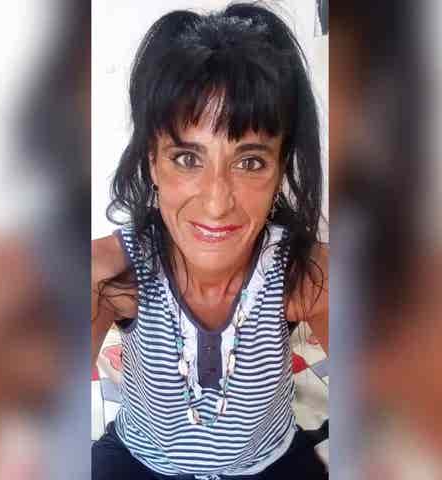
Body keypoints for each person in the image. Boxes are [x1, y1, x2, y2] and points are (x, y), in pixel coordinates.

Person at [92, 3, 328, 479]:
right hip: (141, 460)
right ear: (152, 162)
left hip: (269, 460)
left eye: (250, 162)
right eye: (187, 158)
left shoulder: (301, 275)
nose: (217, 203)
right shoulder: (113, 276)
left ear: (279, 170)